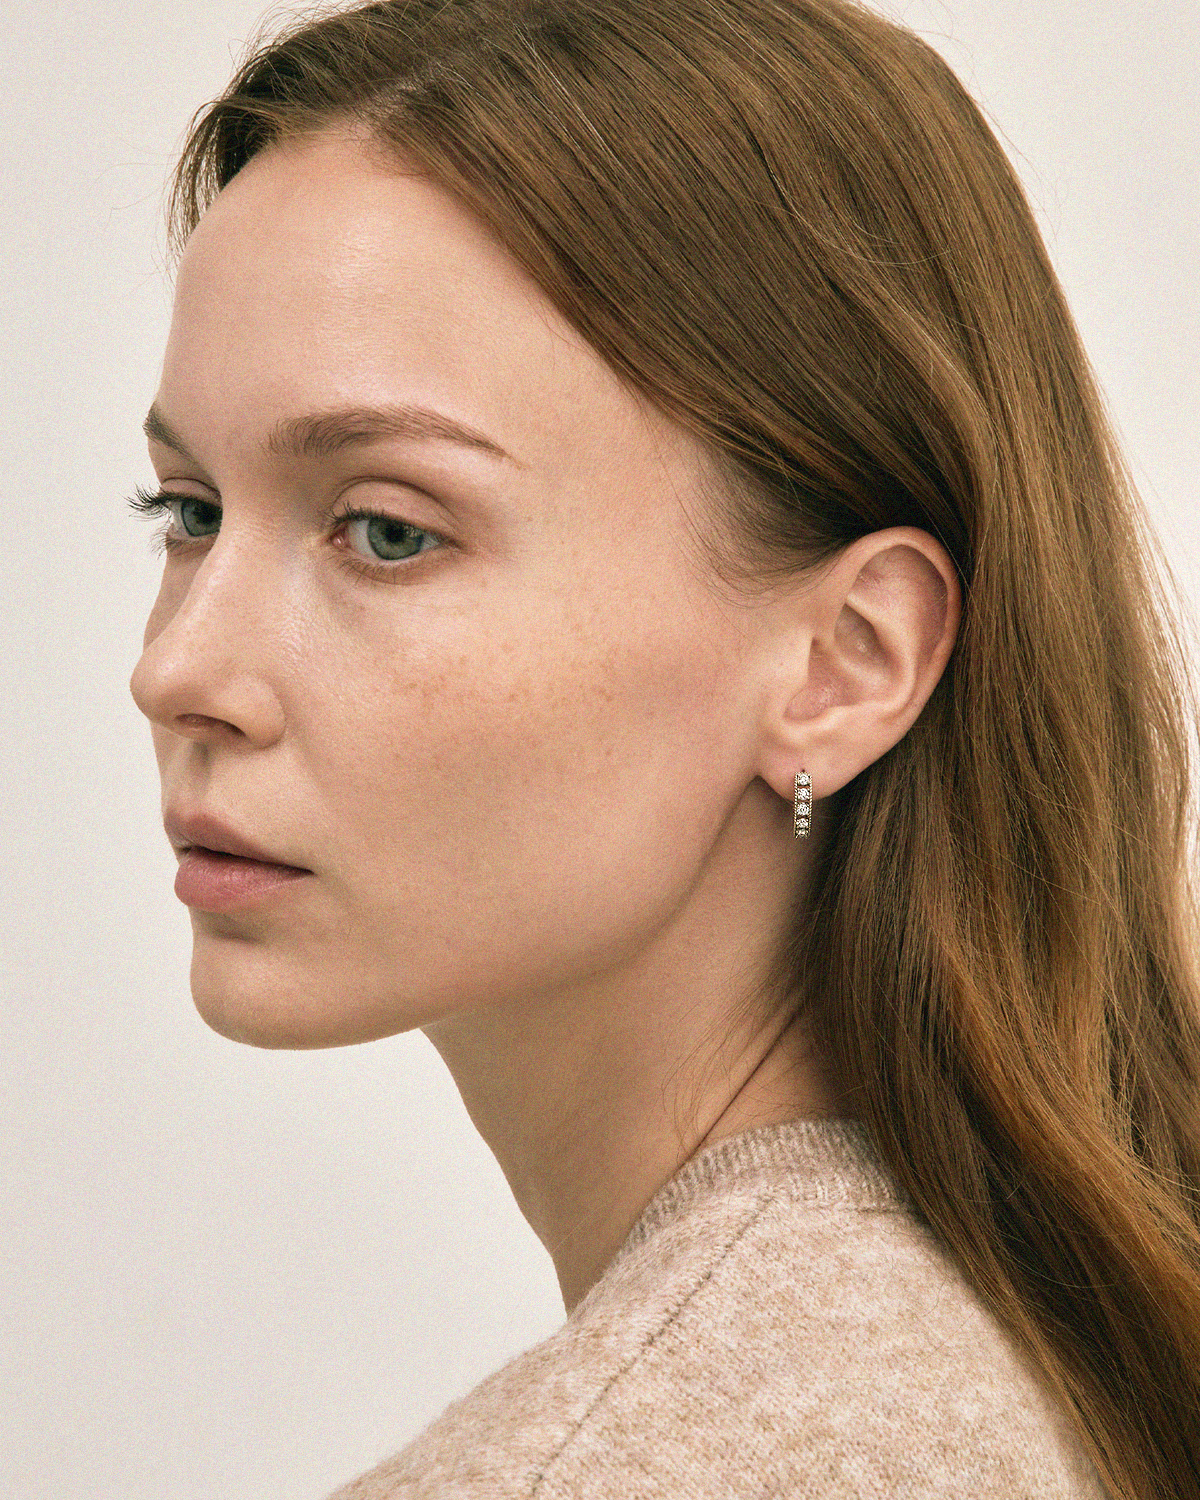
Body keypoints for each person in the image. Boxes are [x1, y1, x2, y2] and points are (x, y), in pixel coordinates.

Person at [127, 1, 1200, 1496]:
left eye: (387, 531)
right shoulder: (1046, 1345)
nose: (176, 670)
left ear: (845, 662)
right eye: (187, 512)